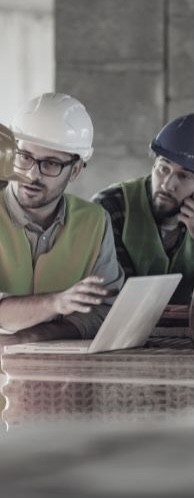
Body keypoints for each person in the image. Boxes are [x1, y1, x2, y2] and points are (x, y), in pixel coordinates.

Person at [0, 93, 123, 343]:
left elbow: (104, 310)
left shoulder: (94, 221)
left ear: (75, 170)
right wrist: (55, 303)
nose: (32, 175)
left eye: (51, 164)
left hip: (61, 375)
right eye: (25, 158)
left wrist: (36, 336)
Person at [92, 114, 194, 305]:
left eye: (184, 176)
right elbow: (115, 296)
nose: (167, 184)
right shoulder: (110, 206)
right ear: (154, 164)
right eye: (163, 168)